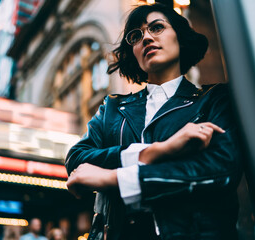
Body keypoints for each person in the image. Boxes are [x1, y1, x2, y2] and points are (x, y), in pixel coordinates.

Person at [66, 3, 242, 240]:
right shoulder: (113, 108)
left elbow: (219, 171)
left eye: (157, 27)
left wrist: (113, 178)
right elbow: (77, 159)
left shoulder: (214, 100)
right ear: (133, 51)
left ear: (179, 36)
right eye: (136, 36)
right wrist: (152, 152)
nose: (146, 37)